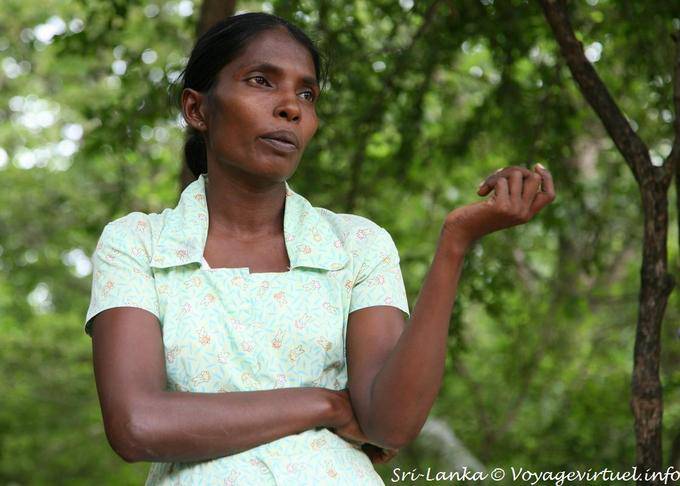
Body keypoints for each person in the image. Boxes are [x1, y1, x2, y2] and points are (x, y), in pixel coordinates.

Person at [84, 11, 555, 486]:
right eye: (261, 81)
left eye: (306, 93)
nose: (291, 106)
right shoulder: (138, 244)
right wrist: (324, 403)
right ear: (197, 109)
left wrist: (456, 242)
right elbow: (136, 425)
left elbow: (389, 424)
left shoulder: (355, 245)